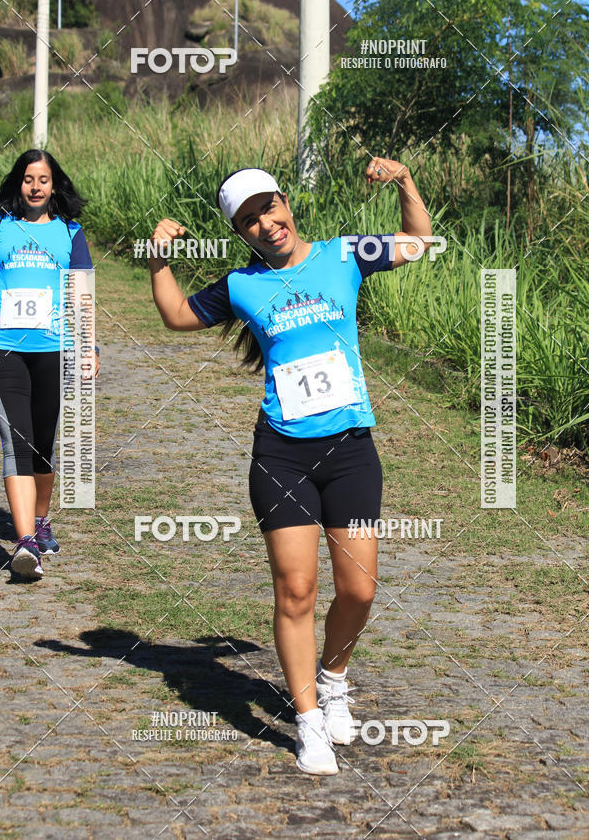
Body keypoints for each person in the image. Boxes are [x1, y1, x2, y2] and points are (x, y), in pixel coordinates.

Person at [148, 157, 433, 774]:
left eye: (269, 207)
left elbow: (418, 240)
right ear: (240, 232)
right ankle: (308, 723)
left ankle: (334, 680)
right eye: (249, 220)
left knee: (359, 588)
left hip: (350, 450)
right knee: (296, 589)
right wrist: (157, 260)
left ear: (285, 203)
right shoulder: (240, 286)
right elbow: (176, 315)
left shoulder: (344, 254)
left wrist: (405, 181)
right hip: (282, 454)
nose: (265, 223)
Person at [0, 149, 99, 580]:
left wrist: (90, 346)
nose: (35, 187)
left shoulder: (70, 233)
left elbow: (82, 293)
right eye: (28, 179)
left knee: (41, 444)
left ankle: (39, 520)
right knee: (15, 439)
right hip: (1, 347)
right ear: (18, 183)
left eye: (43, 180)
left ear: (54, 186)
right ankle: (25, 543)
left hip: (55, 348)